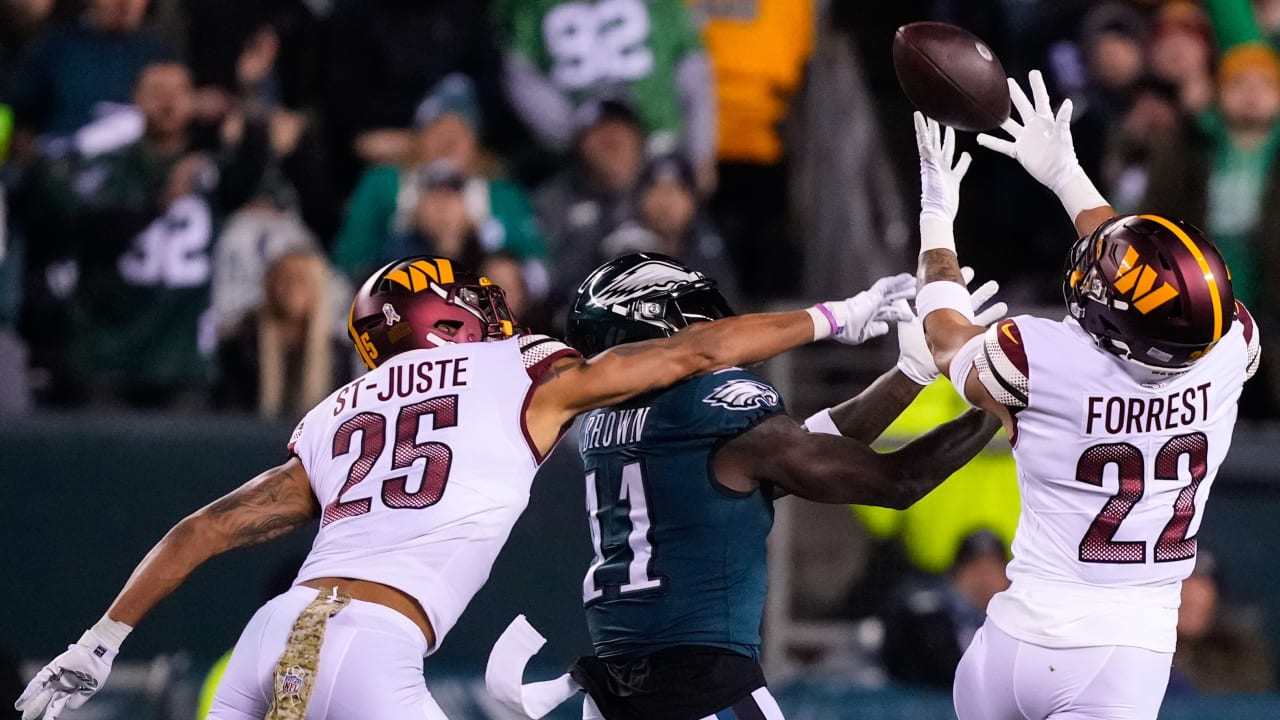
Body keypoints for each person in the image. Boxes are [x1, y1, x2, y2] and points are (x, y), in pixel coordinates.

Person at [16, 254, 918, 720]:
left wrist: (100, 641)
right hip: (374, 641)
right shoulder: (513, 369)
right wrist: (841, 314)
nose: (493, 312)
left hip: (271, 634)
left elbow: (204, 529)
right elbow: (691, 350)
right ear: (448, 319)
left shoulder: (337, 411)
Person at [486, 251, 1005, 720]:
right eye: (699, 324)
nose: (716, 336)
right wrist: (1002, 396)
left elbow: (792, 451)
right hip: (703, 693)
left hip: (619, 693)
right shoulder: (709, 410)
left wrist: (909, 375)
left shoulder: (605, 424)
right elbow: (899, 479)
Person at [910, 70, 1261, 720]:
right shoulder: (1231, 343)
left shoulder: (1042, 357)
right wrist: (1068, 174)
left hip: (1011, 640)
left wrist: (937, 219)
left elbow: (946, 339)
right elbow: (1148, 285)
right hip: (1123, 658)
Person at [881, 529, 1010, 690]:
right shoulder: (929, 620)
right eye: (975, 570)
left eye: (991, 571)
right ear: (956, 575)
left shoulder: (1023, 622)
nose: (983, 580)